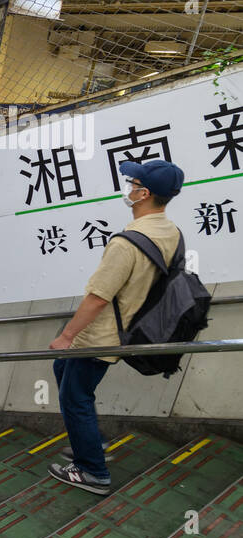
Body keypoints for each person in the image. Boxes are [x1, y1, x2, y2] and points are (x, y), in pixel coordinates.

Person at [46, 159, 186, 495]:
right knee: (64, 374)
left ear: (144, 193)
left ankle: (93, 471)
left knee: (74, 396)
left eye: (133, 182)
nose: (129, 186)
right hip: (130, 329)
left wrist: (66, 336)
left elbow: (97, 298)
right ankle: (91, 438)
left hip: (101, 337)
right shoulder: (171, 232)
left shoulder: (127, 243)